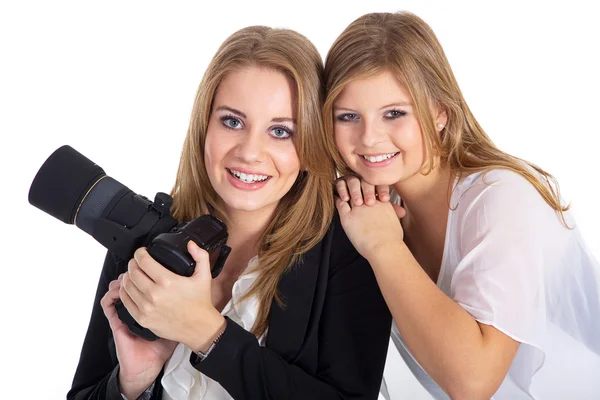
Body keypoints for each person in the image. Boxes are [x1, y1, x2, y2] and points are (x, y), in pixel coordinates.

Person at [67, 25, 391, 400]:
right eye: (232, 122)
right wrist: (132, 382)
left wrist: (209, 335)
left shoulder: (349, 253)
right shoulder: (147, 241)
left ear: (312, 143)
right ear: (204, 126)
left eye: (282, 131)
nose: (250, 152)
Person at [323, 11, 600, 400]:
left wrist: (384, 247)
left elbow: (473, 382)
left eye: (394, 113)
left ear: (440, 111)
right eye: (348, 116)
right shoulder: (375, 205)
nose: (369, 138)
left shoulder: (501, 198)